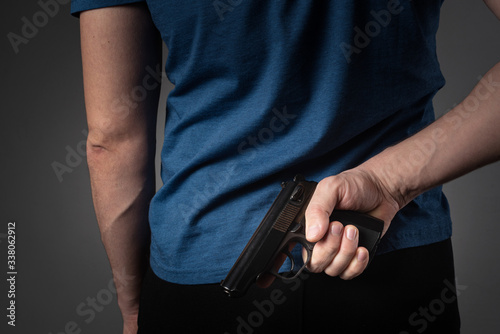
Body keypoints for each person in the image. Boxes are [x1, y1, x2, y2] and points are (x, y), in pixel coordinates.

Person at [72, 0, 500, 333]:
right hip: (394, 256)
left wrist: (132, 305)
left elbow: (112, 140)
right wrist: (389, 183)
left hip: (201, 274)